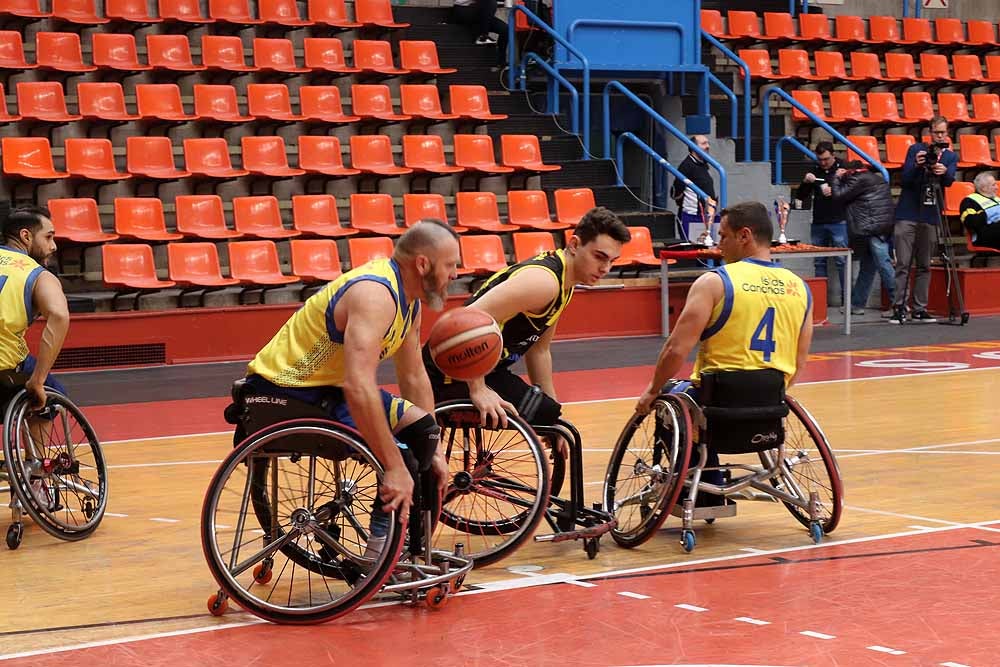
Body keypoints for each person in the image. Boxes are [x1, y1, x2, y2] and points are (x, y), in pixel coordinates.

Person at [241, 220, 461, 553]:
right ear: (422, 264)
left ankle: (410, 549)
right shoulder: (375, 295)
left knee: (424, 434)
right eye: (451, 265)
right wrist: (393, 467)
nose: (456, 274)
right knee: (400, 457)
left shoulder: (409, 303)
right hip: (283, 391)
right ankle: (381, 557)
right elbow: (359, 386)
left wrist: (438, 453)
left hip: (326, 390)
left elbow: (414, 376)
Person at [636, 201, 813, 488]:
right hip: (770, 401)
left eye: (723, 237)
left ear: (745, 236)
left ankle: (701, 487)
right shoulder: (800, 288)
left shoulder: (715, 282)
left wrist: (652, 390)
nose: (719, 246)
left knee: (669, 395)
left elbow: (675, 350)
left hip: (717, 400)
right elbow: (800, 361)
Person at [424, 207, 630, 453]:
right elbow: (466, 320)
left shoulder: (565, 284)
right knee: (546, 414)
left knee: (551, 414)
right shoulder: (544, 283)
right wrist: (478, 390)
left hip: (487, 369)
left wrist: (553, 417)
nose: (606, 268)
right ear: (574, 245)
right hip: (450, 369)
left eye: (612, 261)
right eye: (600, 256)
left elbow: (539, 351)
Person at [0, 205, 70, 408]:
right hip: (4, 368)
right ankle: (37, 439)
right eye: (48, 237)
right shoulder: (38, 274)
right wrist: (38, 380)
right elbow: (59, 315)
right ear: (26, 236)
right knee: (51, 394)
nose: (54, 246)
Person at [891, 116, 958, 324]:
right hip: (908, 212)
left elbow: (949, 182)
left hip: (930, 214)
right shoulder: (915, 150)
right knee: (903, 262)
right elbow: (905, 179)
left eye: (943, 133)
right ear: (929, 132)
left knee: (924, 264)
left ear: (947, 134)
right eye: (936, 132)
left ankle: (920, 308)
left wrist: (944, 172)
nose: (940, 136)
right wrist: (918, 165)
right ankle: (899, 306)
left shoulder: (950, 156)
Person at [831, 161, 896, 316]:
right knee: (868, 268)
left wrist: (836, 178)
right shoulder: (874, 177)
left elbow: (838, 196)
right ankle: (857, 304)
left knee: (883, 264)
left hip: (871, 228)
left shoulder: (858, 178)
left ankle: (899, 304)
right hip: (876, 227)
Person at [795, 141, 848, 299]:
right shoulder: (815, 169)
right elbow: (800, 196)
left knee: (842, 261)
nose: (823, 163)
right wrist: (805, 182)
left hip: (839, 220)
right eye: (820, 160)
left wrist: (836, 187)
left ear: (833, 155)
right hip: (819, 221)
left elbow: (854, 189)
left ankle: (848, 301)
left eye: (826, 159)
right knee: (819, 262)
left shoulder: (843, 167)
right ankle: (820, 301)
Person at [671, 135, 717, 243]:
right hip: (692, 216)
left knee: (708, 251)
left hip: (706, 216)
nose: (708, 146)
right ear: (693, 147)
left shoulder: (703, 164)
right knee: (695, 251)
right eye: (704, 144)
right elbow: (676, 192)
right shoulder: (686, 166)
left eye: (708, 143)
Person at [960, 170, 1000, 251]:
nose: (997, 187)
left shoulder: (996, 199)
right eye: (993, 185)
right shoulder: (969, 201)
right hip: (983, 235)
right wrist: (989, 213)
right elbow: (971, 222)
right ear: (984, 188)